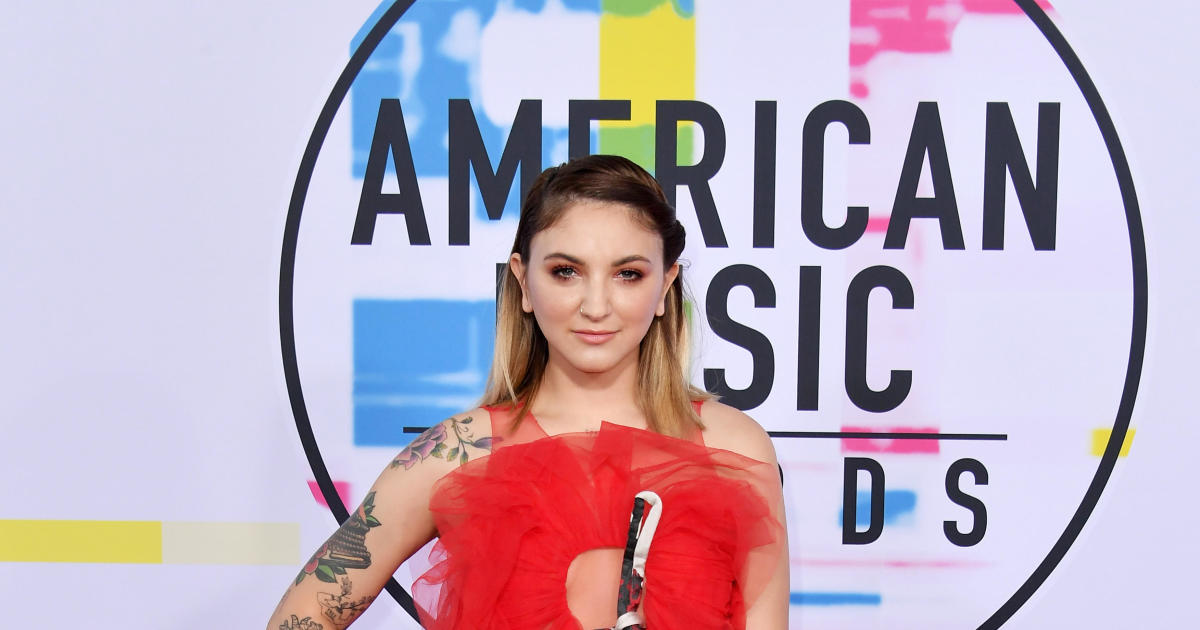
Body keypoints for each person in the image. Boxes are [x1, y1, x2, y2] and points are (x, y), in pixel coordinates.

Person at [266, 154, 789, 629]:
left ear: (665, 286)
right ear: (523, 281)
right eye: (566, 271)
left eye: (628, 274)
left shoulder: (733, 447)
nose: (596, 305)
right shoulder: (459, 451)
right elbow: (302, 615)